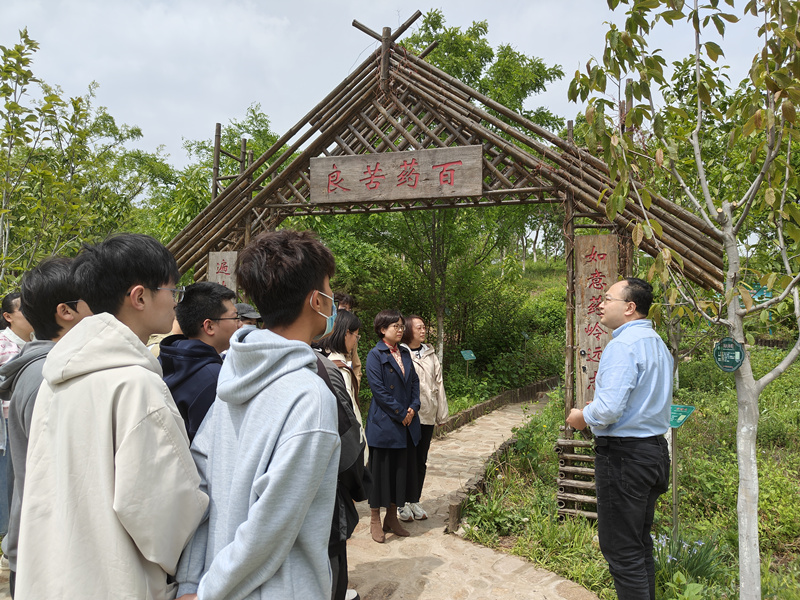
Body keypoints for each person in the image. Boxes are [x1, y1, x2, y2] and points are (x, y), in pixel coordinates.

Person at [16, 233, 208, 599]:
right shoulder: (136, 384)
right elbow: (165, 514)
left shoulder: (56, 378)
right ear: (139, 296)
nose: (176, 302)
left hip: (50, 578)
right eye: (173, 290)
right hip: (114, 582)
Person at [176, 230, 341, 600]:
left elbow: (200, 488)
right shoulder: (309, 396)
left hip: (215, 581)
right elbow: (272, 525)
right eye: (329, 291)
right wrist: (207, 593)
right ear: (316, 300)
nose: (333, 302)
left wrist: (193, 583)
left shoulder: (231, 379)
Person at [566, 277, 672, 600]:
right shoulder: (657, 344)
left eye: (607, 299)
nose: (600, 304)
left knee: (622, 551)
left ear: (629, 307)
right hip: (654, 453)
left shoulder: (622, 345)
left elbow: (609, 408)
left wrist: (581, 417)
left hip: (625, 458)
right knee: (639, 545)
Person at [0, 257, 92, 596]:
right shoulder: (48, 378)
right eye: (94, 300)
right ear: (66, 312)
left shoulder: (46, 369)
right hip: (48, 560)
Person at [364, 309, 420, 543]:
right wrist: (400, 412)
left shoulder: (405, 353)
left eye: (400, 326)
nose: (400, 329)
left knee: (400, 472)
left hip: (406, 423)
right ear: (382, 329)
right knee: (380, 473)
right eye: (395, 326)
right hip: (385, 424)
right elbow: (379, 391)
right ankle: (375, 519)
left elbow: (415, 383)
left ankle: (391, 517)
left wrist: (413, 408)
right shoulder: (375, 355)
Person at [159, 282, 238, 440]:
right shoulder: (214, 378)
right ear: (209, 326)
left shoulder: (166, 359)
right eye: (235, 317)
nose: (240, 324)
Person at [399, 315, 448, 521]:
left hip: (426, 414)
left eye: (424, 327)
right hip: (408, 417)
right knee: (405, 460)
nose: (423, 330)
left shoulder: (431, 354)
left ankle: (415, 500)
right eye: (419, 327)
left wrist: (442, 414)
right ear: (409, 330)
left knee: (420, 460)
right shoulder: (400, 353)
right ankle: (401, 503)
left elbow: (439, 384)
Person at [0, 292, 34, 565]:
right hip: (9, 428)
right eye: (22, 310)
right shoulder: (1, 344)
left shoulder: (37, 343)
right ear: (8, 317)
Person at [334, 292, 361, 384]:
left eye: (349, 310)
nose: (347, 312)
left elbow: (357, 366)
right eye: (344, 308)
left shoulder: (352, 336)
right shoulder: (325, 332)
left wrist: (354, 386)